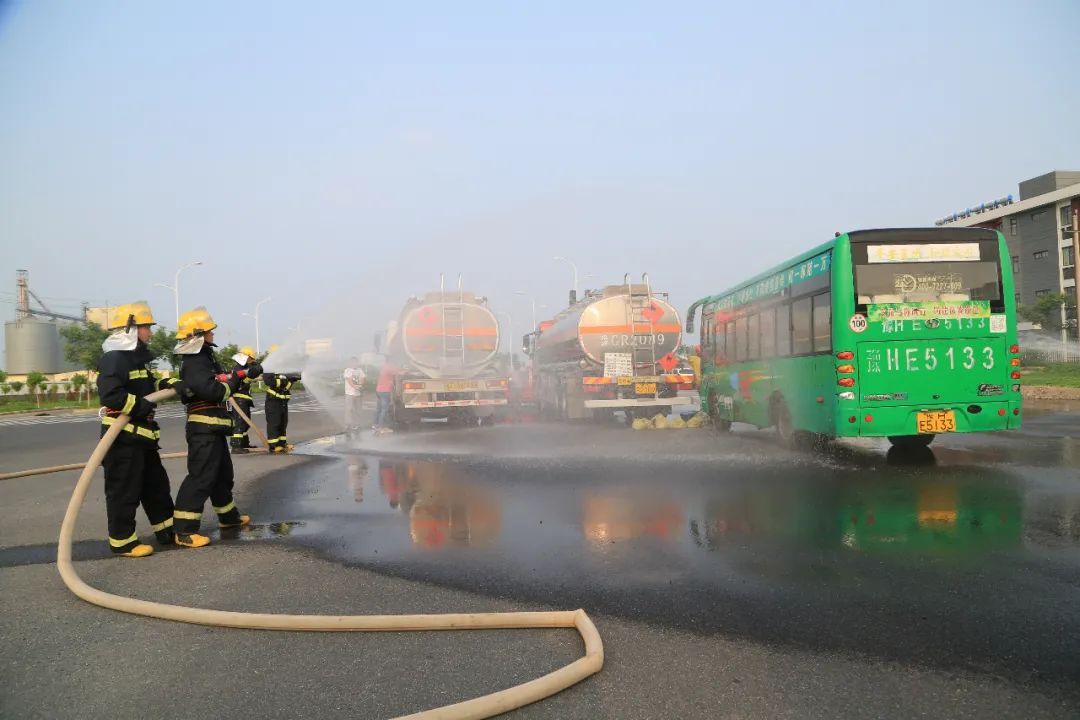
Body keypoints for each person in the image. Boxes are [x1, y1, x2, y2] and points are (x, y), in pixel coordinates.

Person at [171, 307, 261, 548]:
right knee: (201, 477)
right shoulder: (195, 360)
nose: (213, 334)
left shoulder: (204, 357)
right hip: (203, 428)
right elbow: (212, 389)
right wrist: (234, 381)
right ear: (199, 334)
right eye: (209, 330)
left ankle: (228, 518)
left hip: (214, 428)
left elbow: (221, 378)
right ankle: (184, 531)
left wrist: (243, 373)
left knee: (222, 476)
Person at [96, 302, 180, 557]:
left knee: (156, 487)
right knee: (124, 491)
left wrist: (170, 382)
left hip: (142, 438)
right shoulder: (114, 358)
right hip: (123, 439)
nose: (150, 333)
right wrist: (140, 405)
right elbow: (111, 394)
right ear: (131, 328)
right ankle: (122, 541)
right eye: (146, 327)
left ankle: (167, 531)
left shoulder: (132, 360)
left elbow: (145, 386)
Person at [229, 346, 258, 454]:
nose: (252, 361)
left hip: (243, 399)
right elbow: (242, 382)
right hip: (239, 398)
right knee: (240, 422)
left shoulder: (243, 367)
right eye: (252, 359)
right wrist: (253, 372)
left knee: (245, 422)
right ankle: (236, 446)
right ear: (247, 357)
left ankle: (244, 443)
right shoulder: (239, 368)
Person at [264, 370, 299, 453]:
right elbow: (270, 382)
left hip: (283, 401)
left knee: (283, 422)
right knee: (274, 422)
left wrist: (291, 379)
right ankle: (273, 446)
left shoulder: (284, 372)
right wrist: (286, 379)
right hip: (273, 400)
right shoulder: (269, 370)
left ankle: (282, 443)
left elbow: (286, 387)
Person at [342, 356, 366, 437]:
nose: (354, 364)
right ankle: (348, 425)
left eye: (356, 362)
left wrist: (360, 385)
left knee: (358, 410)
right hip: (350, 393)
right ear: (350, 363)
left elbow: (363, 378)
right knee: (349, 409)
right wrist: (355, 386)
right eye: (353, 362)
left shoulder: (360, 370)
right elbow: (349, 380)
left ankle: (357, 424)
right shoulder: (348, 370)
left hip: (358, 394)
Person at [374, 360, 396, 433]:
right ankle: (381, 427)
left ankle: (376, 425)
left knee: (379, 409)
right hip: (385, 391)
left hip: (379, 391)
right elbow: (398, 372)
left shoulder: (383, 368)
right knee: (384, 410)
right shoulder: (389, 368)